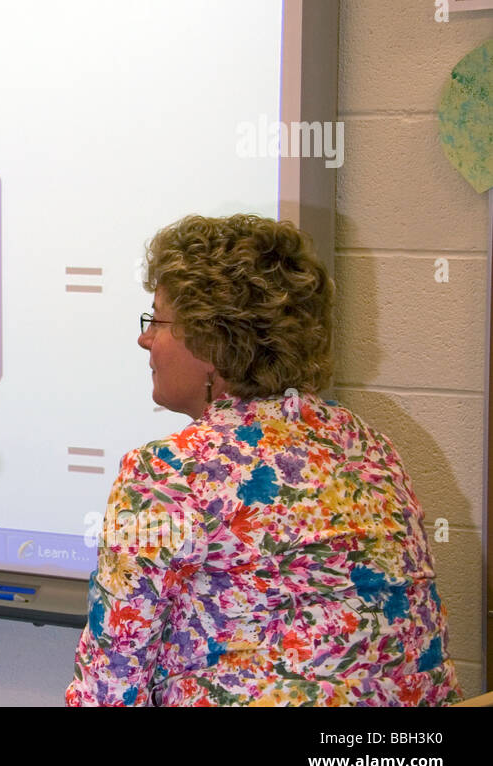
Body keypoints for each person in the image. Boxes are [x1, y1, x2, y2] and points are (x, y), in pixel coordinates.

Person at [67, 214, 462, 706]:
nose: (145, 339)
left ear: (212, 341)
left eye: (158, 321)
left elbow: (107, 689)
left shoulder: (168, 473)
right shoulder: (370, 448)